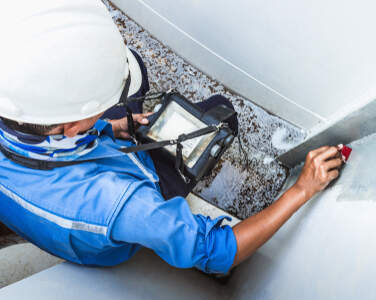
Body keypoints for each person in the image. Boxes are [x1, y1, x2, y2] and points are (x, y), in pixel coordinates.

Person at [0, 0, 343, 274]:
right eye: (97, 111)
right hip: (120, 200)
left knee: (140, 82)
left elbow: (64, 139)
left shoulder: (20, 105)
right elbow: (218, 251)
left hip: (64, 172)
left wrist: (112, 125)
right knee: (220, 111)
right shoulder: (125, 205)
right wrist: (302, 189)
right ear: (72, 127)